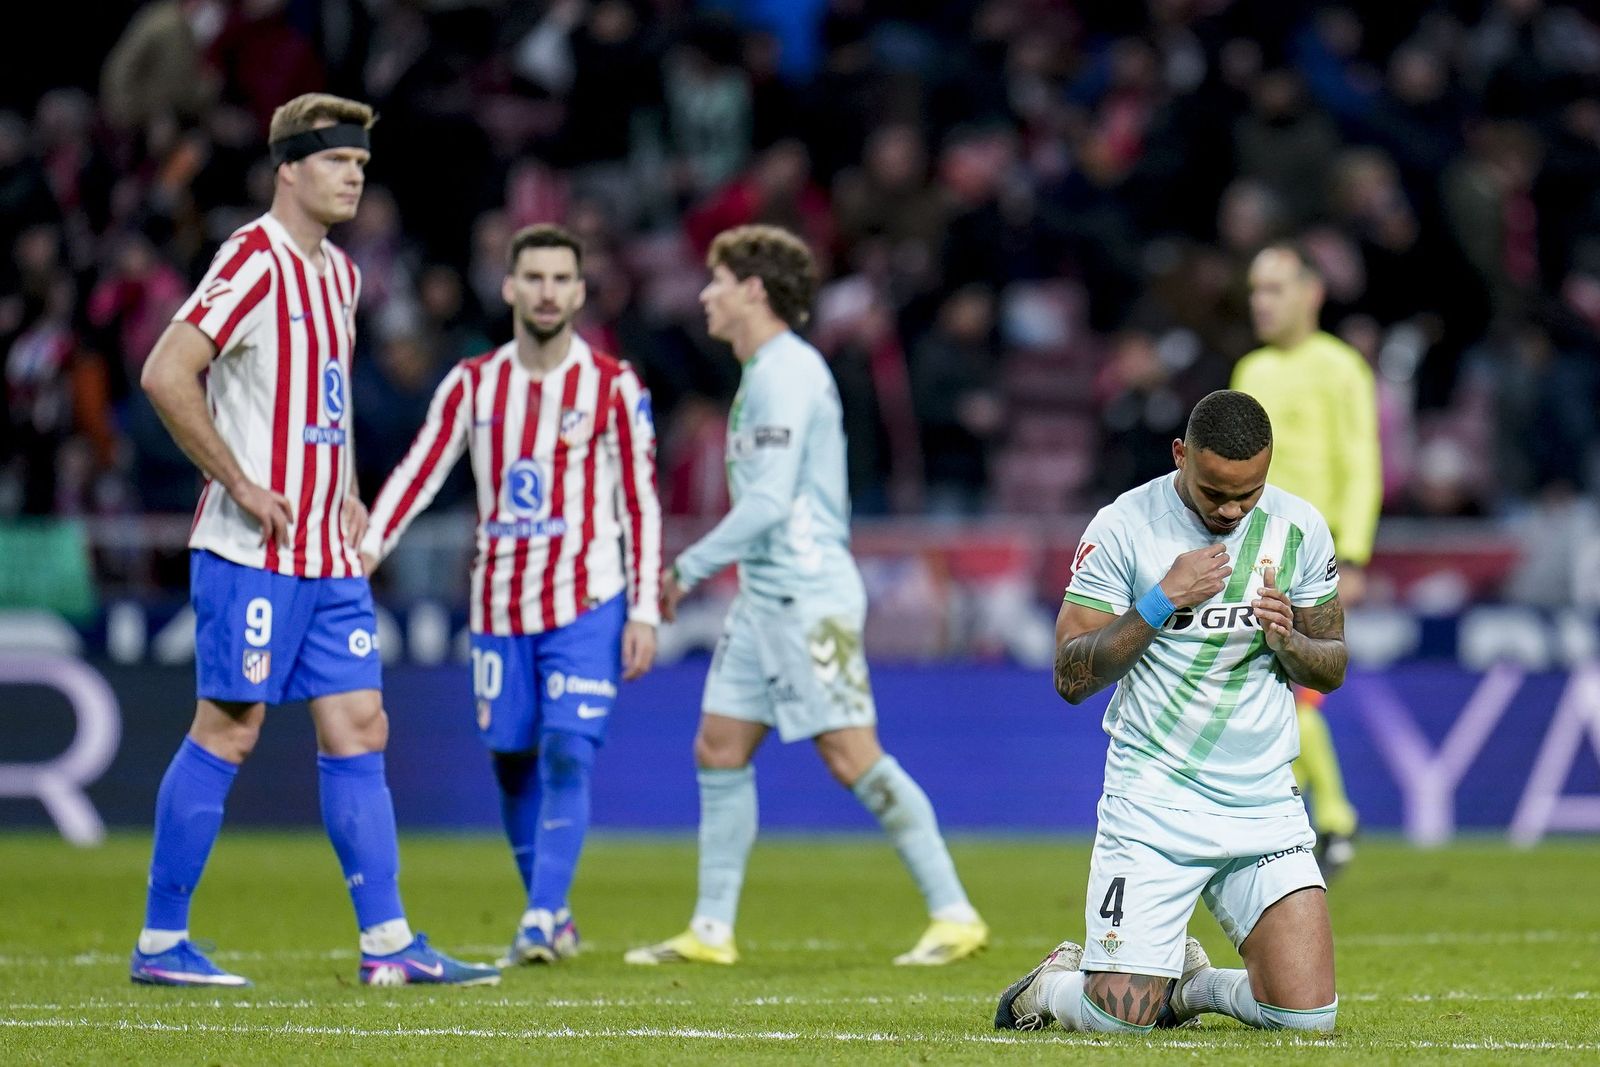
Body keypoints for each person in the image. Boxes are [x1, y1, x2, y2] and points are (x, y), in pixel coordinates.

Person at [132, 93, 498, 987]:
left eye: (363, 166)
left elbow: (317, 404)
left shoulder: (339, 273)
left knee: (361, 722)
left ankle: (389, 945)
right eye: (339, 162)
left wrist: (346, 491)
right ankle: (159, 942)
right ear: (289, 167)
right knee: (229, 728)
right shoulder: (252, 260)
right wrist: (238, 479)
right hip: (252, 548)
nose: (355, 178)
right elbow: (165, 371)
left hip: (326, 551)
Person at [624, 224, 987, 967]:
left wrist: (686, 564)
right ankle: (711, 929)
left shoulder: (788, 372)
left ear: (753, 289)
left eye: (717, 280)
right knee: (719, 746)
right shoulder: (764, 372)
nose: (705, 294)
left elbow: (769, 503)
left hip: (805, 592)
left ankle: (954, 912)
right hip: (766, 596)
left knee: (852, 754)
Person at [996, 389, 1345, 1034]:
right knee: (1118, 1021)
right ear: (1180, 455)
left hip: (1264, 801)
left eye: (1250, 491)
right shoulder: (1125, 527)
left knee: (1307, 1019)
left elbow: (1334, 663)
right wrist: (1160, 602)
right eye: (1216, 492)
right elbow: (1070, 675)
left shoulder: (1300, 528)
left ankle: (1192, 987)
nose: (1233, 509)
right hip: (1154, 800)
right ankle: (1049, 988)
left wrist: (1289, 641)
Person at [361, 224, 662, 965]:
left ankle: (540, 914)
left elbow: (640, 502)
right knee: (512, 758)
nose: (548, 291)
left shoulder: (613, 386)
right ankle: (549, 911)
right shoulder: (472, 383)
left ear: (581, 291)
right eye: (535, 277)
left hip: (588, 598)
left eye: (562, 278)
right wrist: (365, 546)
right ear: (509, 286)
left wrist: (646, 607)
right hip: (498, 606)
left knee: (567, 749)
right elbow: (421, 469)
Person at [1232, 243, 1380, 878]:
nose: (1261, 303)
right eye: (1255, 291)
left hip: (1317, 557)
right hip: (1257, 556)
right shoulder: (1251, 370)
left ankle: (1331, 819)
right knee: (1277, 696)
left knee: (1295, 694)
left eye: (1274, 289)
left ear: (1310, 293)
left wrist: (1353, 553)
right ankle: (1322, 821)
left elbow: (1361, 462)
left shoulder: (1341, 368)